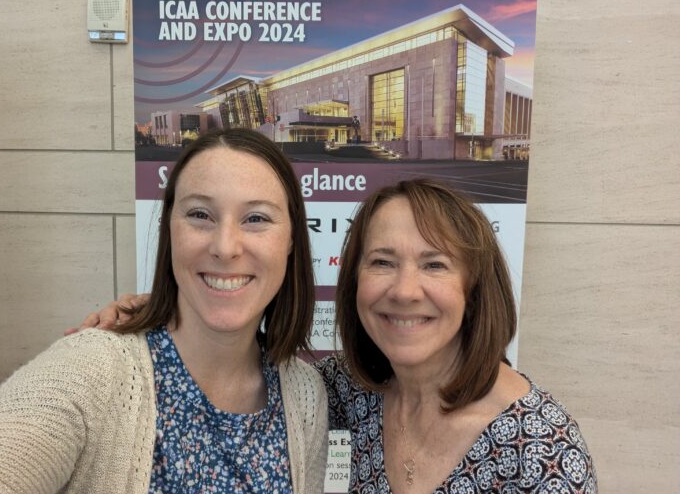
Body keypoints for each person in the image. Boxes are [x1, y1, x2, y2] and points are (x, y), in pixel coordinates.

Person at [91, 178, 597, 493]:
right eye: (382, 262)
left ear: (475, 289)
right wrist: (158, 321)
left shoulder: (542, 452)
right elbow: (240, 364)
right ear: (354, 281)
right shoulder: (346, 390)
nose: (404, 290)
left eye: (434, 265)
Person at [0, 129, 329, 494]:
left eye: (256, 218)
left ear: (292, 240)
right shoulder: (94, 368)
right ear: (170, 230)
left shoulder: (304, 392)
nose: (225, 246)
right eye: (200, 214)